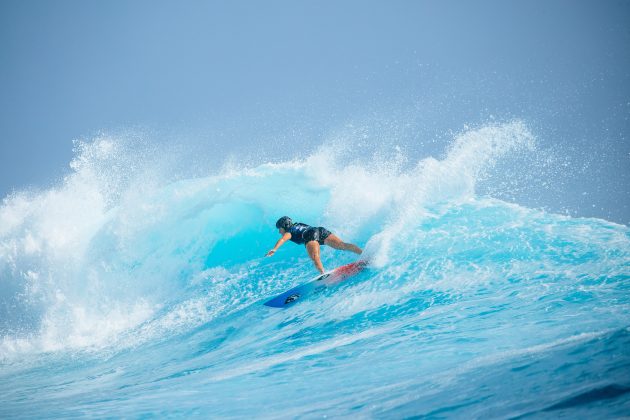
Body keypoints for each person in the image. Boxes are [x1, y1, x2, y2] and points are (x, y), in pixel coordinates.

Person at [265, 216, 362, 274]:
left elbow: (282, 239)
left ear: (285, 226)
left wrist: (274, 249)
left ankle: (323, 274)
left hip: (309, 235)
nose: (279, 231)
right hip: (320, 231)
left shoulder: (289, 231)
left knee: (315, 257)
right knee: (342, 245)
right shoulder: (298, 224)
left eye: (280, 228)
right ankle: (363, 253)